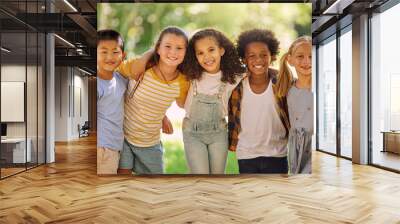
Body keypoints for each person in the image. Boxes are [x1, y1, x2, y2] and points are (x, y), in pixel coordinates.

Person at [117, 26, 190, 174]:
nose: (173, 52)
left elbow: (183, 105)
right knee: (122, 183)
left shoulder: (182, 82)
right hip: (123, 136)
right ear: (158, 48)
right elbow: (113, 71)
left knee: (155, 185)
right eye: (167, 46)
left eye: (179, 48)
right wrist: (146, 56)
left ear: (186, 52)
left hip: (149, 143)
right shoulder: (141, 67)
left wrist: (162, 116)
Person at [181, 28, 245, 174]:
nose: (207, 57)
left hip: (219, 134)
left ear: (221, 50)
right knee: (200, 176)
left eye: (211, 50)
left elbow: (256, 70)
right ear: (194, 56)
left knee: (217, 177)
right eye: (200, 53)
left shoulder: (232, 76)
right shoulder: (190, 74)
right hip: (193, 133)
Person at [228, 29, 290, 174]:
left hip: (277, 154)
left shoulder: (281, 82)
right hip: (246, 155)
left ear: (272, 56)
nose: (258, 60)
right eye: (252, 56)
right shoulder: (236, 85)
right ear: (244, 59)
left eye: (263, 55)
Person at [275, 36, 313, 174]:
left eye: (311, 56)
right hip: (296, 146)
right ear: (290, 60)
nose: (306, 61)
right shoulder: (286, 89)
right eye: (300, 56)